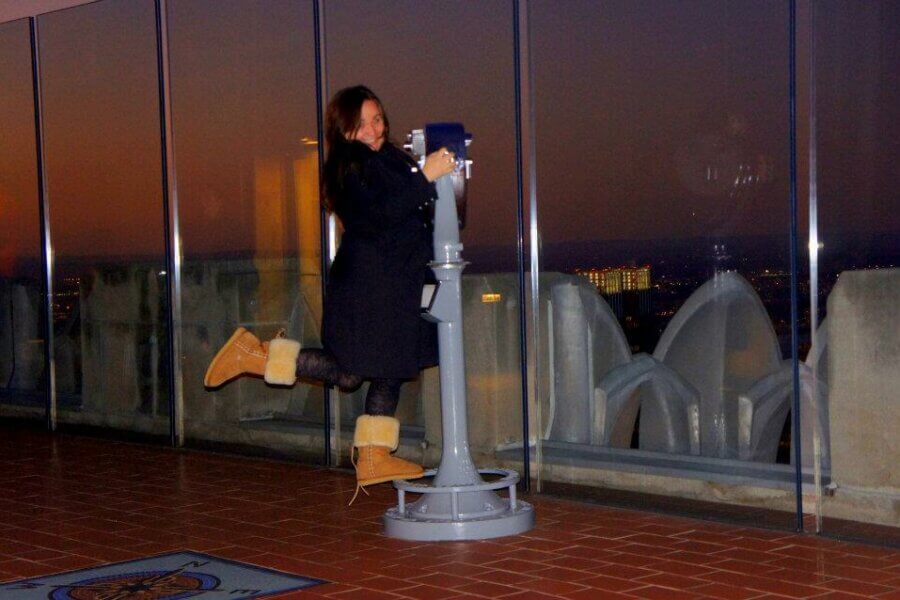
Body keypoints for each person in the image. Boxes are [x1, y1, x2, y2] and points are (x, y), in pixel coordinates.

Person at [203, 85, 456, 500]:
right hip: (369, 291)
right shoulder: (349, 168)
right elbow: (378, 217)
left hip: (392, 286)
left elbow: (406, 211)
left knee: (383, 366)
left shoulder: (386, 158)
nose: (373, 129)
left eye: (377, 119)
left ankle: (373, 455)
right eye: (361, 124)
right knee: (352, 369)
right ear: (344, 131)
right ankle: (253, 354)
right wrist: (425, 177)